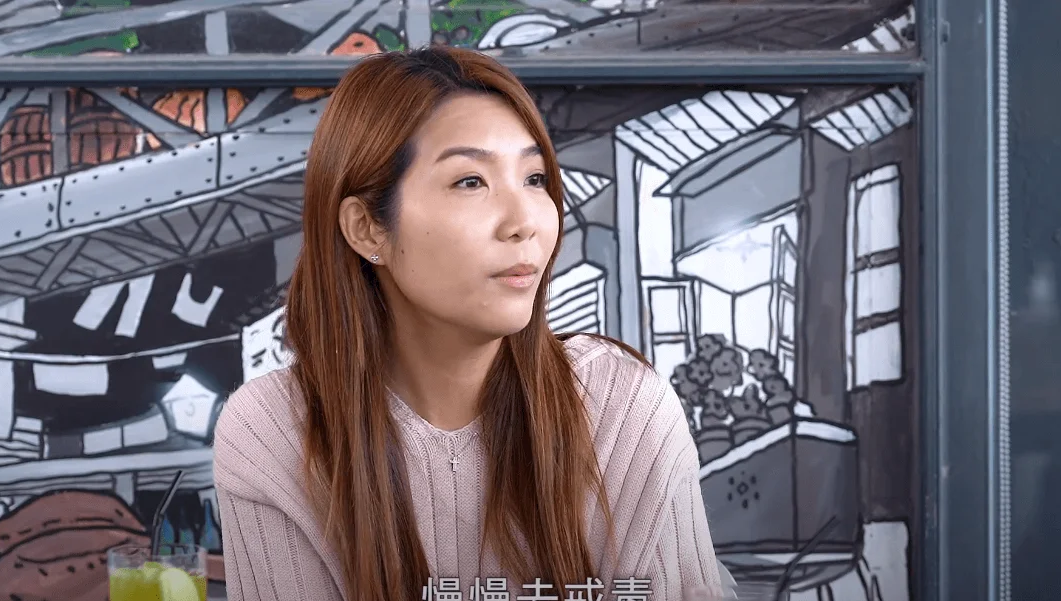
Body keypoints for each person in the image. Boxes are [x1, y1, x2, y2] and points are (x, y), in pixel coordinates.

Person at [212, 46, 725, 601]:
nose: (523, 222)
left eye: (534, 178)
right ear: (367, 229)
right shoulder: (277, 432)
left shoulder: (621, 407)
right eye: (470, 182)